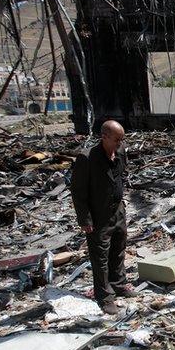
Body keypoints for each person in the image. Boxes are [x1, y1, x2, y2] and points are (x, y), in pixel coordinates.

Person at [71, 119, 136, 314]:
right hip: (98, 215)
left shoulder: (121, 152)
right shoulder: (87, 158)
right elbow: (78, 191)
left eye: (122, 139)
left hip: (117, 211)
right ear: (104, 137)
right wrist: (85, 219)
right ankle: (104, 295)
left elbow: (120, 176)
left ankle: (118, 283)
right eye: (117, 139)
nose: (120, 143)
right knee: (100, 257)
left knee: (118, 248)